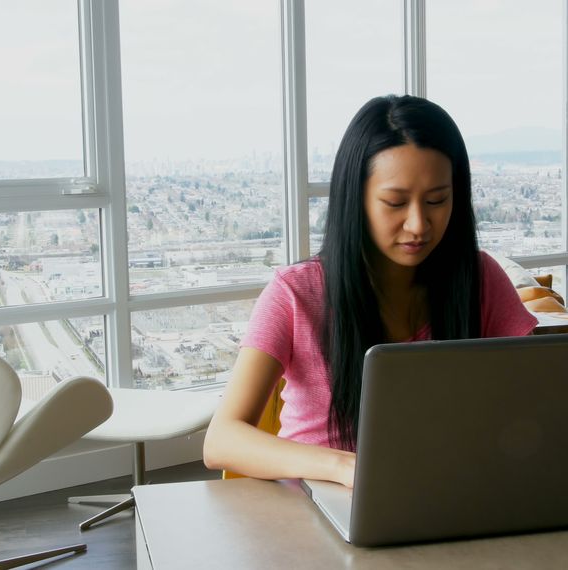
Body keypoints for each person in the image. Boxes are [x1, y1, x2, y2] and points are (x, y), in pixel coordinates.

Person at [203, 95, 537, 488]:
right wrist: (344, 467)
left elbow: (532, 405)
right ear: (356, 199)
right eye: (395, 203)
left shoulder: (481, 278)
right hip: (320, 511)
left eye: (437, 201)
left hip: (449, 494)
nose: (418, 224)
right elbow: (221, 440)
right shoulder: (295, 293)